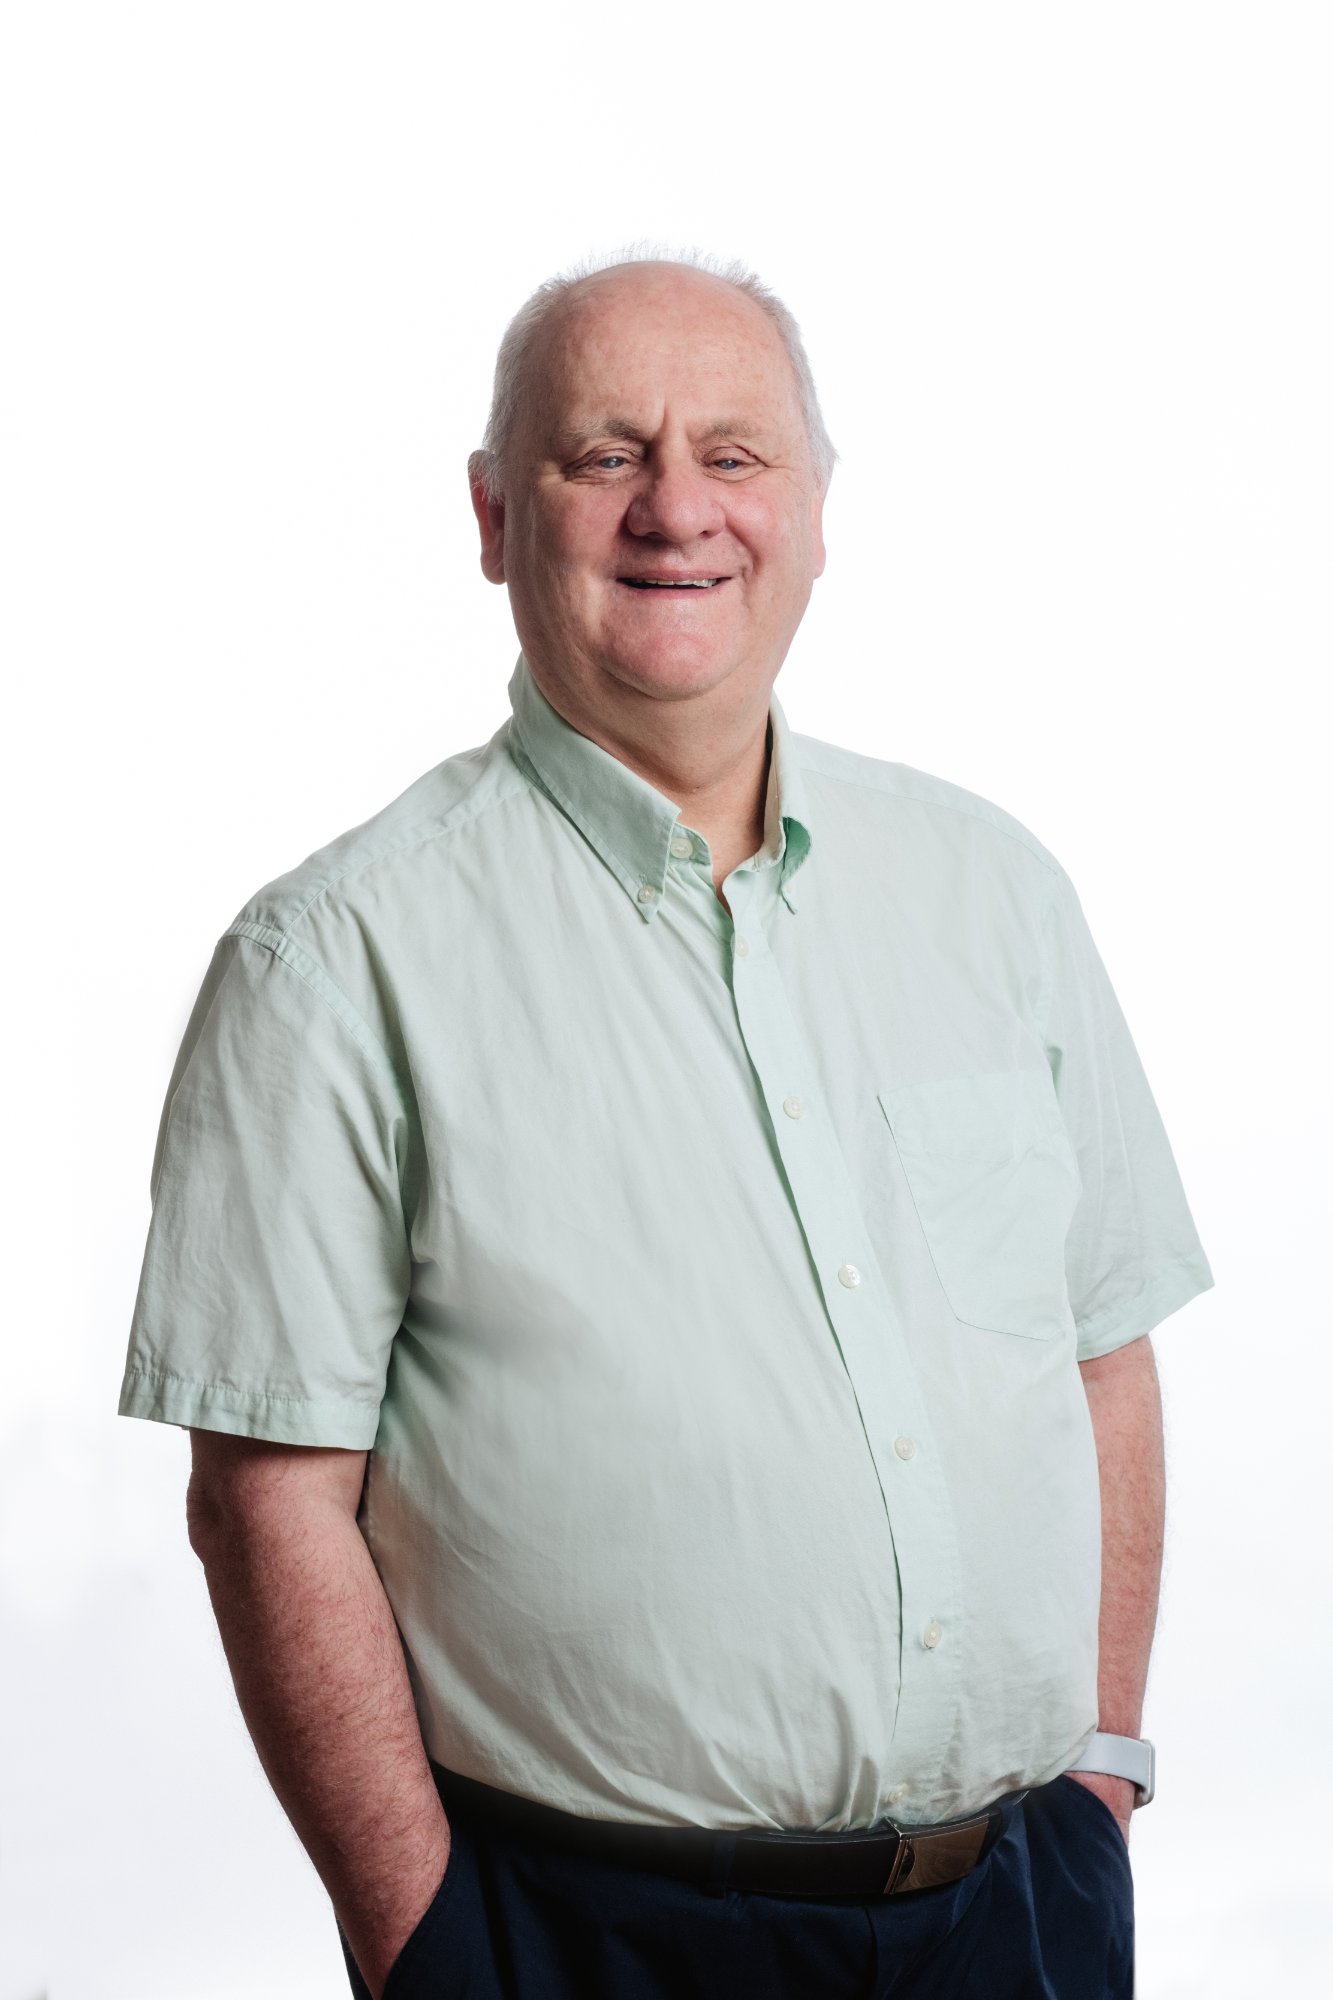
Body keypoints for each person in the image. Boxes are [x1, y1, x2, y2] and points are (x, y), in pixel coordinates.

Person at [118, 248, 1214, 1999]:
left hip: (1021, 1908)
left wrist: (1097, 1779)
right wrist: (433, 1945)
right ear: (493, 516)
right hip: (584, 1938)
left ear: (816, 511)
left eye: (734, 454)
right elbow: (266, 1503)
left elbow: (1101, 1356)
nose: (675, 509)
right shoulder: (332, 960)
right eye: (602, 454)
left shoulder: (990, 890)